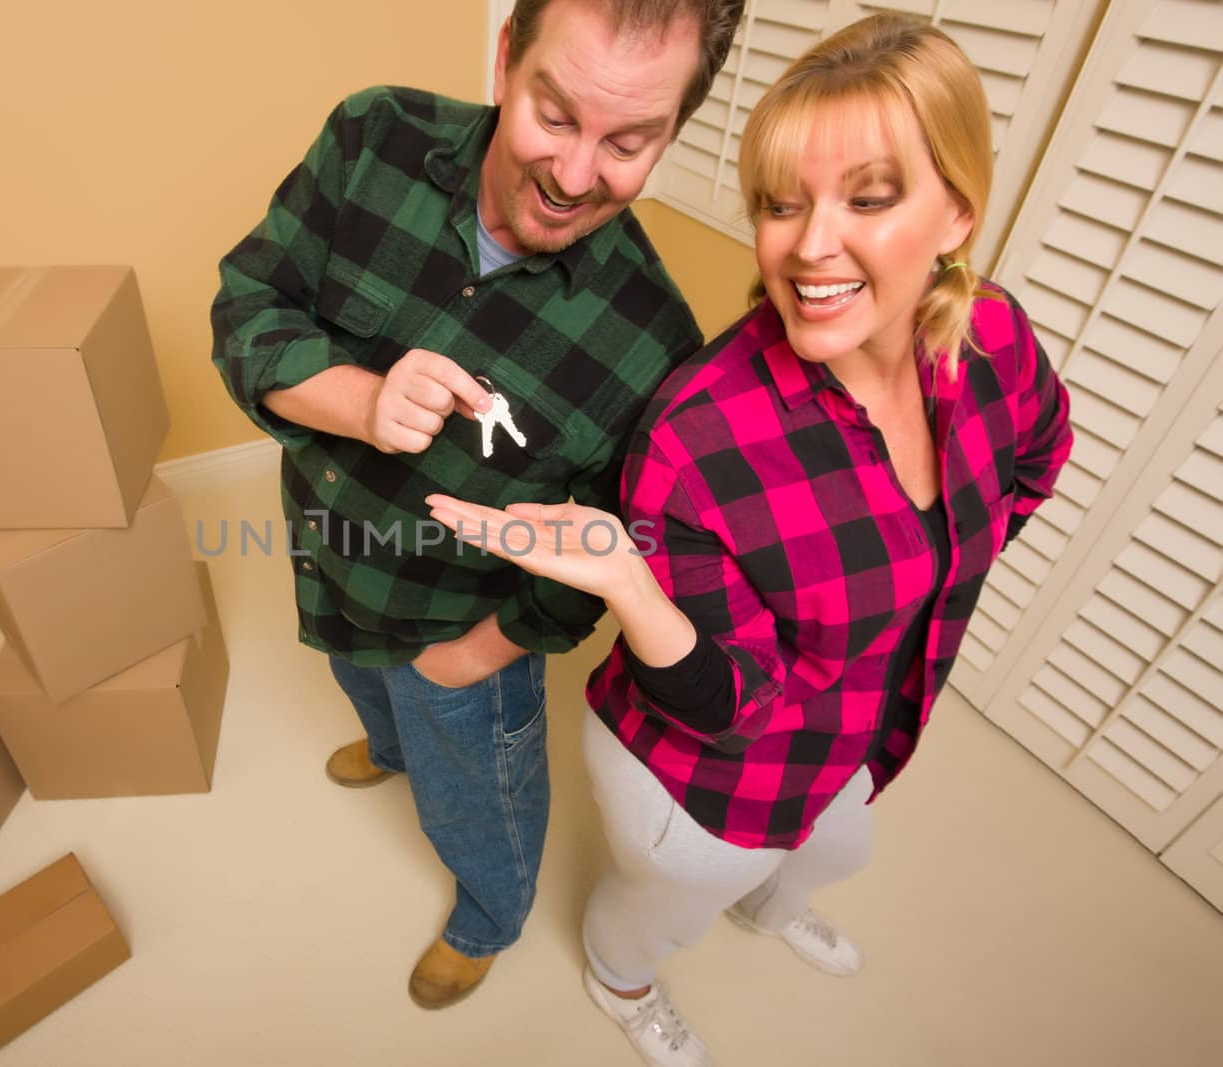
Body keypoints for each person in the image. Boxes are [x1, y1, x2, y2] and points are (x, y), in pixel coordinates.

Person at [426, 12, 1073, 1062]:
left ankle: (772, 906)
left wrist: (923, 578)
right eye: (781, 204)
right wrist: (631, 587)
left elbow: (1041, 451)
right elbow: (728, 699)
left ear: (955, 210)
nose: (809, 245)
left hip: (857, 728)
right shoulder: (702, 433)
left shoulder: (988, 332)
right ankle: (619, 978)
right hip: (703, 780)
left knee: (835, 851)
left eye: (868, 197)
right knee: (666, 905)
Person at [210, 0, 746, 1009]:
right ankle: (389, 745)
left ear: (671, 135)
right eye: (555, 116)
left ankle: (488, 914)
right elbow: (250, 306)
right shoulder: (372, 136)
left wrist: (475, 655)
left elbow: (605, 552)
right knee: (361, 683)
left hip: (460, 631)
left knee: (479, 796)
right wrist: (362, 402)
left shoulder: (658, 349)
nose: (576, 175)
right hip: (329, 560)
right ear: (507, 59)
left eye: (628, 142)